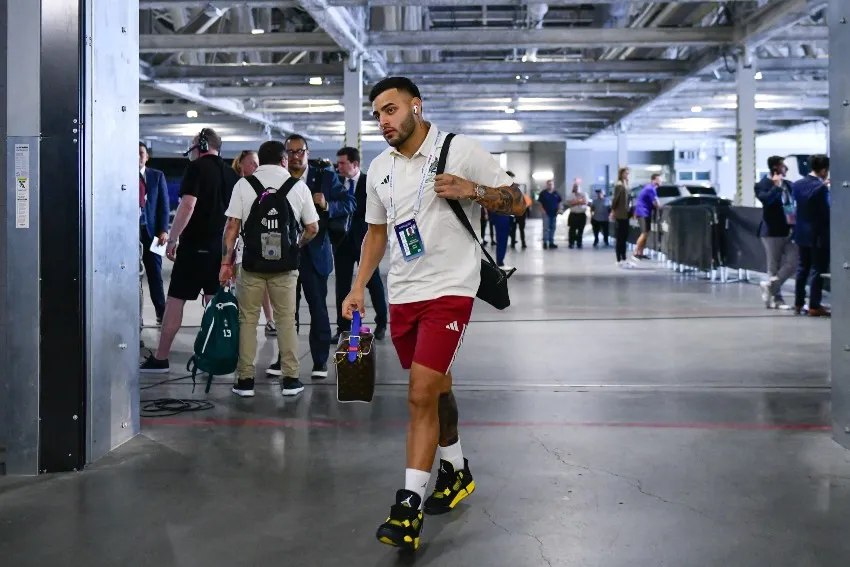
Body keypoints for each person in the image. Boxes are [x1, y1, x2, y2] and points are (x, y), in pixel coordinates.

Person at [340, 76, 527, 551]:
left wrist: (474, 190)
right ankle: (457, 468)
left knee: (420, 393)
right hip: (403, 294)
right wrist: (359, 286)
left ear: (416, 107)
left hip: (450, 289)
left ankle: (407, 507)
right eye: (377, 113)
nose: (383, 121)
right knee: (438, 388)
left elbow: (518, 200)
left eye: (391, 110)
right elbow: (377, 234)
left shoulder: (459, 150)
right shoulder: (379, 168)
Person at [221, 141, 319, 397]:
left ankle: (245, 381)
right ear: (284, 160)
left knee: (247, 321)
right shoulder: (298, 187)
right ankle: (291, 380)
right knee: (287, 320)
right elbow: (312, 228)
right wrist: (296, 245)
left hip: (251, 263)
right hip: (285, 267)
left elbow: (232, 228)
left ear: (260, 161)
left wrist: (225, 262)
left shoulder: (243, 185)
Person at [140, 128, 239, 373]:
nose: (190, 152)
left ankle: (161, 358)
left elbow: (187, 205)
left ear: (203, 145)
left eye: (193, 146)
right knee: (214, 302)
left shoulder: (196, 169)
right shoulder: (231, 174)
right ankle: (215, 357)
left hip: (195, 247)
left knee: (175, 301)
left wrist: (172, 240)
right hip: (221, 250)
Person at [267, 134, 355, 379]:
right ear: (285, 156)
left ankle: (319, 362)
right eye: (291, 152)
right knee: (286, 311)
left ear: (308, 152)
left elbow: (350, 203)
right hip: (285, 254)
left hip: (316, 254)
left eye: (300, 151)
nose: (296, 156)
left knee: (318, 309)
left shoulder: (325, 177)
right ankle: (283, 358)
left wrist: (327, 205)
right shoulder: (277, 179)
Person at [333, 146, 388, 341]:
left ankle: (381, 322)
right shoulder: (336, 183)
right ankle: (343, 328)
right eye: (337, 163)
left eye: (342, 163)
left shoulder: (368, 183)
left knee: (373, 283)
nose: (338, 167)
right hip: (342, 244)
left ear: (355, 164)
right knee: (342, 286)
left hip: (365, 241)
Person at [791, 154, 831, 317]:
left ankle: (799, 304)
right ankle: (814, 305)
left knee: (802, 269)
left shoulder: (797, 185)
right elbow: (825, 211)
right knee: (817, 269)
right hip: (819, 235)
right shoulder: (821, 187)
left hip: (801, 233)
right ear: (823, 170)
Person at [755, 156, 797, 310]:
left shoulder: (790, 185)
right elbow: (766, 201)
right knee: (774, 265)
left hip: (790, 229)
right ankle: (777, 300)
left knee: (793, 262)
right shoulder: (762, 185)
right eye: (783, 166)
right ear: (775, 167)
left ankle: (769, 286)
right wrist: (776, 187)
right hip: (772, 231)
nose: (786, 168)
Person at [139, 142, 169, 325]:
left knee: (155, 274)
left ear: (147, 156)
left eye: (141, 153)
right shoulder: (123, 177)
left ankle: (161, 314)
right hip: (131, 234)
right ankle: (136, 317)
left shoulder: (157, 176)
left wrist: (164, 230)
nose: (138, 156)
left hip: (155, 234)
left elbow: (164, 206)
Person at [633, 173, 661, 260]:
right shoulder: (650, 189)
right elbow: (656, 202)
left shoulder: (651, 188)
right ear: (654, 180)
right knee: (644, 233)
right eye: (659, 179)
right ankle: (636, 252)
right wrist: (660, 208)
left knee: (646, 233)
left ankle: (640, 253)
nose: (661, 181)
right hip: (643, 213)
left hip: (645, 212)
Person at [610, 167, 631, 265]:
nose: (627, 175)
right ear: (621, 174)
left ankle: (623, 257)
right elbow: (615, 199)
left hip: (625, 214)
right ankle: (619, 258)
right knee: (620, 236)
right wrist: (613, 210)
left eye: (628, 173)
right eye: (625, 173)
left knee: (624, 236)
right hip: (620, 214)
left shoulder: (625, 185)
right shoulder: (619, 185)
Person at [508, 171, 530, 250]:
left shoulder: (520, 192)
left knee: (521, 229)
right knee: (513, 229)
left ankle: (523, 243)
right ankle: (513, 242)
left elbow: (525, 202)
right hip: (513, 213)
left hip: (521, 213)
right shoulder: (507, 190)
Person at [537, 179, 562, 249]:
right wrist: (542, 210)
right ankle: (545, 243)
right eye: (549, 184)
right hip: (546, 213)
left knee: (553, 228)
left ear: (553, 185)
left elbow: (559, 202)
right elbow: (540, 203)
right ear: (547, 185)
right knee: (546, 228)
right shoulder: (543, 193)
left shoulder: (556, 193)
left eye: (551, 184)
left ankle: (551, 242)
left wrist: (559, 210)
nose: (550, 185)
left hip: (554, 213)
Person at [566, 179, 588, 249]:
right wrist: (579, 201)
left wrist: (575, 202)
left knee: (580, 230)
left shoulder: (584, 194)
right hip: (573, 214)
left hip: (581, 214)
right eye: (574, 187)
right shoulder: (570, 195)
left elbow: (585, 202)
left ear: (579, 187)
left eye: (577, 187)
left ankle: (579, 243)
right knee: (572, 230)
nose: (576, 188)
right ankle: (571, 243)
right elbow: (569, 203)